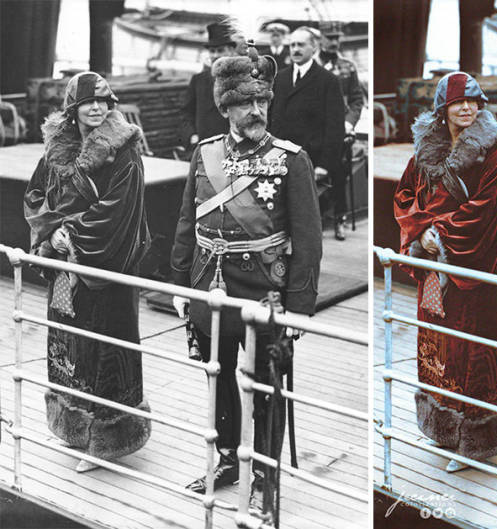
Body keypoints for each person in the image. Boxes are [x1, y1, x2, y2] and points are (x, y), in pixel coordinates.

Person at [170, 41, 322, 519]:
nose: (256, 110)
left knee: (264, 387)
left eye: (261, 101)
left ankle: (265, 477)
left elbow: (309, 240)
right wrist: (180, 285)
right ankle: (228, 460)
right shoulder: (205, 153)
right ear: (225, 107)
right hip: (209, 286)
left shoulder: (290, 159)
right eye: (244, 103)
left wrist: (298, 307)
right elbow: (185, 222)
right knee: (218, 382)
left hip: (265, 291)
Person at [394, 72, 497, 473]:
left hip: (473, 270)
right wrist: (420, 232)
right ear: (442, 109)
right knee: (438, 346)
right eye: (457, 103)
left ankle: (476, 440)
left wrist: (441, 233)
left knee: (472, 350)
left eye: (473, 101)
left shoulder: (495, 153)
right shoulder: (426, 151)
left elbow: (489, 210)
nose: (466, 108)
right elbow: (405, 194)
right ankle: (444, 429)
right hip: (435, 267)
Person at [24, 72, 152, 473]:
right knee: (68, 345)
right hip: (66, 265)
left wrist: (72, 235)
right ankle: (75, 428)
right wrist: (51, 232)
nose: (97, 108)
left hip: (103, 267)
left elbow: (120, 211)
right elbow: (36, 194)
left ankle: (108, 438)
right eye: (87, 102)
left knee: (104, 349)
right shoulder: (57, 150)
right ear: (73, 108)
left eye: (103, 101)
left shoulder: (124, 151)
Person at [269, 26, 345, 240]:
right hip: (280, 157)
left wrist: (325, 164)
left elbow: (334, 127)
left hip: (310, 159)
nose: (295, 49)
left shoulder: (328, 81)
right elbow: (272, 118)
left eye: (301, 44)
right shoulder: (280, 78)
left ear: (314, 47)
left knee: (304, 221)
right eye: (292, 45)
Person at [315, 20, 366, 241]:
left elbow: (356, 100)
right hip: (314, 132)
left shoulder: (348, 67)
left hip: (339, 132)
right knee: (309, 177)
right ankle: (312, 221)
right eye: (330, 37)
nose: (334, 41)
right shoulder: (311, 64)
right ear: (320, 39)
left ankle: (339, 220)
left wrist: (348, 124)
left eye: (337, 37)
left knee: (339, 176)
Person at [181, 22, 236, 151]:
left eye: (220, 50)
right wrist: (191, 135)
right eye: (212, 51)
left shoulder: (240, 79)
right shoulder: (198, 80)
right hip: (203, 146)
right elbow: (186, 113)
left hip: (233, 147)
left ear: (231, 51)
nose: (216, 55)